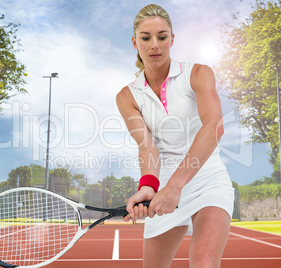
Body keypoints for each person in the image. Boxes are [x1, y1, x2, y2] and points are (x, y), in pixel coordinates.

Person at [116, 4, 235, 268]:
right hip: (164, 189)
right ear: (135, 42)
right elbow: (148, 148)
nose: (155, 45)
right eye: (146, 38)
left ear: (172, 39)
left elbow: (215, 127)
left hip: (207, 179)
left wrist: (175, 187)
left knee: (204, 265)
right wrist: (149, 186)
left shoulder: (198, 74)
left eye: (162, 36)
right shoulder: (127, 96)